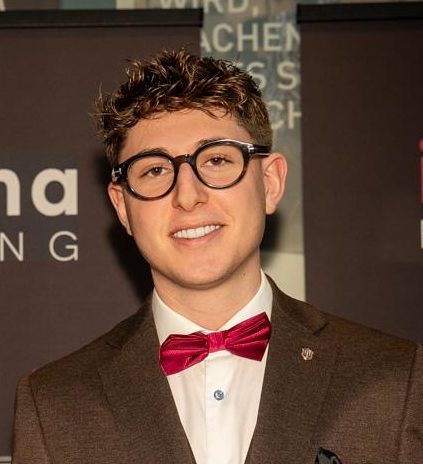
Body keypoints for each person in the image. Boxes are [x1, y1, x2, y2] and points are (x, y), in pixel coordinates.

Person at [12, 49, 423, 464]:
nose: (187, 196)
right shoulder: (54, 405)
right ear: (122, 206)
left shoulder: (395, 379)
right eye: (155, 170)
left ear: (270, 182)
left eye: (216, 160)